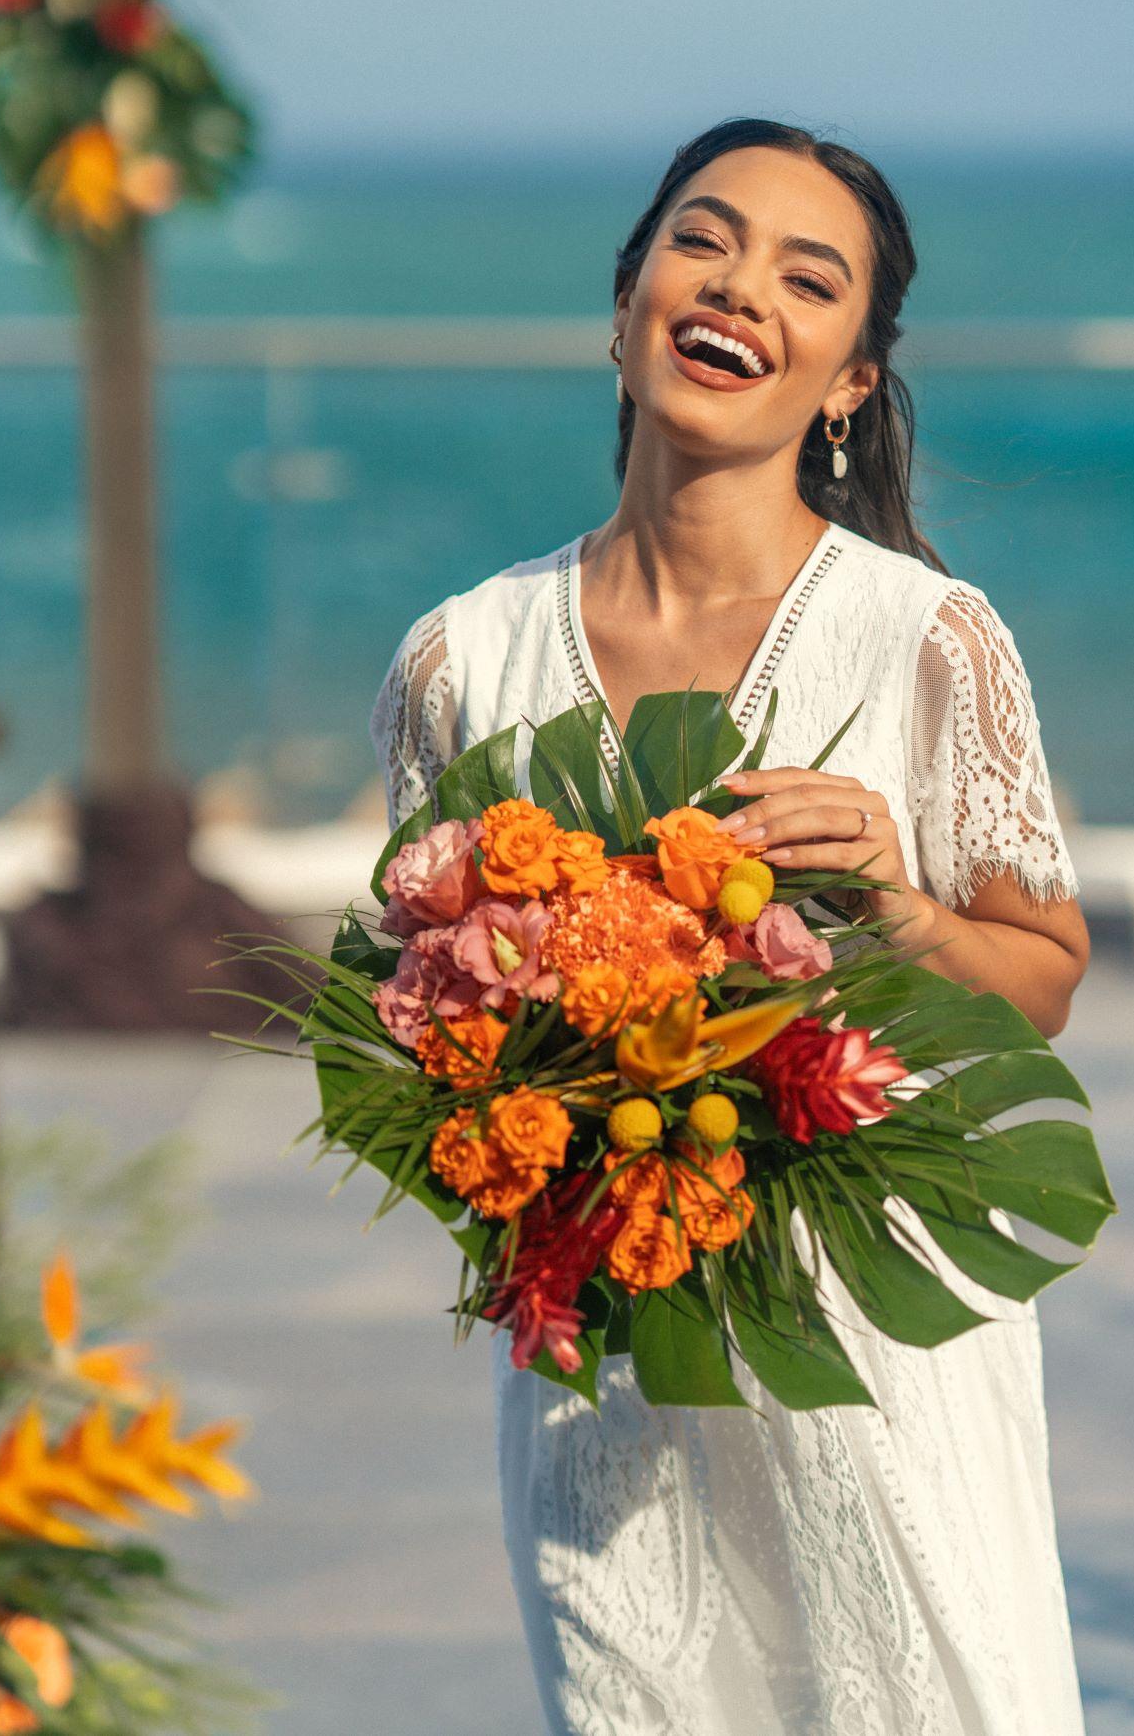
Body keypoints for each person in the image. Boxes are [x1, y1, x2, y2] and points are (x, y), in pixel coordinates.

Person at [369, 117, 1092, 1735]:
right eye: (704, 240)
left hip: (880, 1357)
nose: (740, 286)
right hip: (604, 1385)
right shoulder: (457, 660)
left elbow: (1042, 972)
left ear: (847, 379)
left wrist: (900, 912)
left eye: (806, 276)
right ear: (628, 298)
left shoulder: (926, 640)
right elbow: (418, 1013)